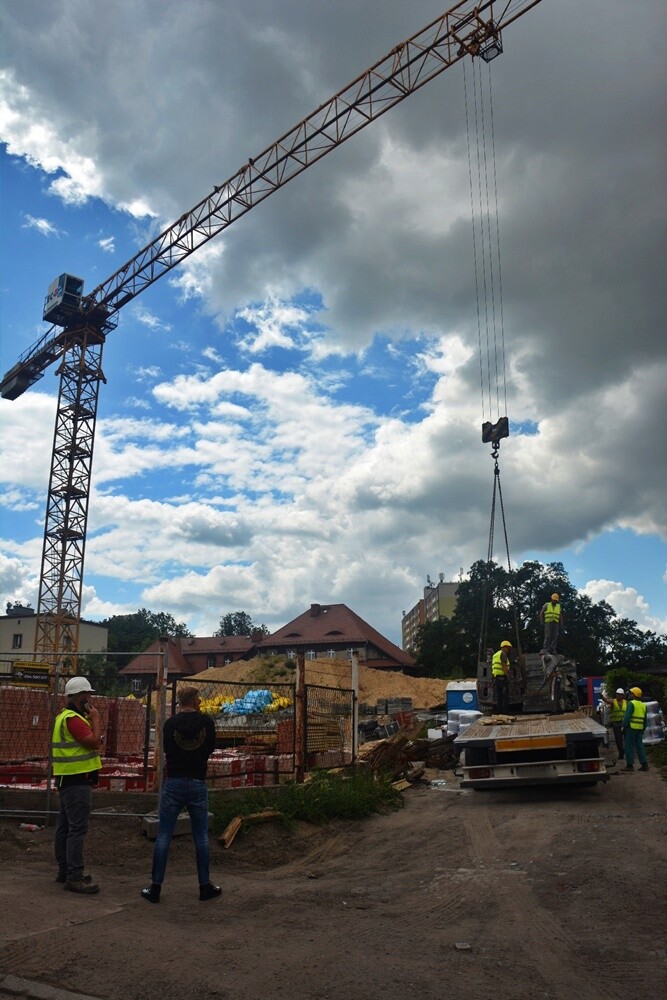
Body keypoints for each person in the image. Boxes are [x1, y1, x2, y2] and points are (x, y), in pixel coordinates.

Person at [142, 686, 221, 903]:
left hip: (174, 783)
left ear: (179, 702)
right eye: (199, 699)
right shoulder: (206, 723)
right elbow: (211, 748)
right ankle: (204, 886)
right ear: (195, 701)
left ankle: (155, 888)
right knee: (201, 837)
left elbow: (167, 747)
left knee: (164, 835)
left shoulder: (170, 724)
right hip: (197, 782)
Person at [52, 676, 103, 894]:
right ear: (80, 696)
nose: (89, 698)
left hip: (68, 780)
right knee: (77, 830)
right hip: (76, 781)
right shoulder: (73, 719)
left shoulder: (65, 717)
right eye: (87, 695)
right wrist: (96, 719)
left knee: (65, 827)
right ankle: (74, 876)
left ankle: (65, 871)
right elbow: (93, 743)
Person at [623, 687, 649, 772]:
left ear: (634, 695)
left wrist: (624, 726)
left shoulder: (631, 703)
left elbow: (627, 717)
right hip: (640, 728)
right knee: (640, 746)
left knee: (629, 746)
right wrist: (643, 728)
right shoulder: (643, 705)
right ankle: (644, 764)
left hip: (631, 728)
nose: (630, 694)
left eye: (631, 693)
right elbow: (645, 719)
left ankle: (630, 765)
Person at [600, 687, 627, 759]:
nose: (618, 696)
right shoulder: (613, 701)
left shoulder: (626, 702)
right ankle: (621, 753)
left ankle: (626, 752)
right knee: (618, 740)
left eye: (620, 694)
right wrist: (602, 697)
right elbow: (606, 700)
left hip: (624, 724)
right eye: (617, 694)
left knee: (626, 739)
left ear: (623, 695)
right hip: (616, 724)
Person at [492, 640, 512, 714]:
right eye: (508, 648)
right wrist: (508, 676)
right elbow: (504, 666)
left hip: (496, 677)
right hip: (502, 677)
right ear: (504, 647)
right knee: (505, 695)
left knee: (499, 695)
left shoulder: (495, 654)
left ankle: (499, 712)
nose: (508, 650)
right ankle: (505, 713)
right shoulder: (503, 654)